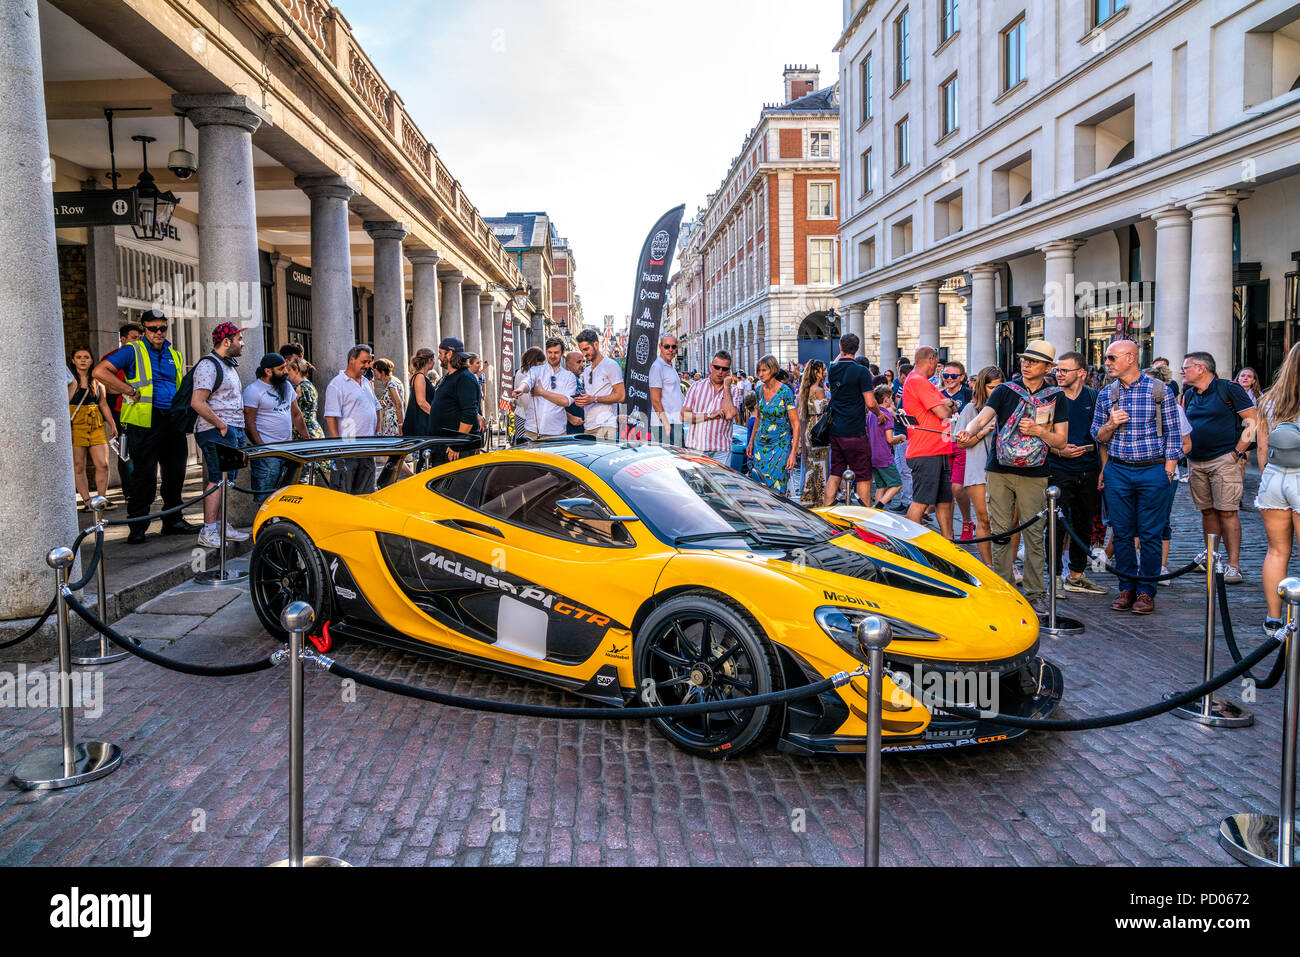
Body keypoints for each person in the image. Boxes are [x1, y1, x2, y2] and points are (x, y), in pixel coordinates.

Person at [957, 341, 1069, 611]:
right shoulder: (1006, 390)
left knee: (1033, 533)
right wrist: (969, 431)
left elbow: (1061, 442)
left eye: (1033, 360)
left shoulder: (1056, 397)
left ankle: (1034, 593)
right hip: (1000, 470)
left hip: (1035, 472)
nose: (1026, 363)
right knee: (1000, 533)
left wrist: (1039, 432)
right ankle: (1003, 590)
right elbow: (983, 417)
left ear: (1047, 367)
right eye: (1024, 358)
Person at [1090, 338, 1182, 615]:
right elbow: (1097, 435)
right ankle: (1126, 588)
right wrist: (1110, 424)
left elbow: (1174, 436)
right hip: (1118, 469)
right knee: (1122, 532)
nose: (1106, 363)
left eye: (1111, 358)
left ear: (1130, 358)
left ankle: (1146, 591)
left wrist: (1167, 470)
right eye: (1107, 358)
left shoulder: (1159, 390)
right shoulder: (1107, 394)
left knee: (1151, 533)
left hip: (1152, 469)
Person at [93, 310, 199, 544]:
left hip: (172, 420)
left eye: (162, 328)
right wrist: (127, 389)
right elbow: (99, 371)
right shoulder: (133, 350)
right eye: (153, 329)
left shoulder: (174, 354)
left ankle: (173, 521)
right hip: (144, 422)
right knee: (144, 477)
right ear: (144, 330)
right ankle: (137, 526)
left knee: (175, 474)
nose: (158, 333)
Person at [1180, 350, 1257, 585]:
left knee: (1227, 511)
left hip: (1224, 459)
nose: (1182, 372)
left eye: (1186, 367)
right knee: (1207, 511)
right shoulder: (1190, 394)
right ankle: (1212, 558)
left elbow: (1252, 420)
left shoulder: (1229, 389)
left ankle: (1234, 565)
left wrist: (1238, 452)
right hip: (1196, 460)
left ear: (1201, 368)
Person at [1047, 351, 1106, 595]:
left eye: (1064, 370)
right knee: (1056, 524)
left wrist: (1104, 469)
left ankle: (1077, 574)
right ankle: (1054, 576)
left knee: (1084, 522)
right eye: (1057, 370)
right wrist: (1059, 451)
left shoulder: (1094, 397)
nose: (1058, 374)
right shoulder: (1050, 398)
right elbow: (1040, 433)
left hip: (1089, 467)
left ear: (1081, 373)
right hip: (1058, 467)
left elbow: (1102, 437)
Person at [1253, 343, 1300, 636]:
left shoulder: (1270, 399)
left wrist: (1265, 477)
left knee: (1277, 551)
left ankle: (1273, 620)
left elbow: (1262, 447)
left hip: (1273, 478)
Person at [190, 322, 248, 547]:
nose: (241, 344)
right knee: (216, 478)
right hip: (216, 431)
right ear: (226, 341)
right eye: (238, 340)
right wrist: (221, 425)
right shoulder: (209, 365)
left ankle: (221, 526)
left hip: (231, 430)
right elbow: (197, 402)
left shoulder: (229, 365)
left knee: (227, 480)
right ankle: (208, 529)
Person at [902, 346, 959, 539]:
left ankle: (948, 541)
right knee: (921, 501)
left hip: (937, 448)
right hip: (926, 450)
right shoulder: (918, 381)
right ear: (931, 360)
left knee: (944, 499)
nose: (938, 368)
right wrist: (949, 405)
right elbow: (944, 411)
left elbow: (950, 403)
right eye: (937, 362)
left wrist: (949, 404)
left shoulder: (922, 382)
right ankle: (909, 545)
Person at [824, 333, 885, 507]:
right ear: (858, 349)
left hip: (836, 430)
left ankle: (827, 510)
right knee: (864, 475)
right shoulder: (861, 371)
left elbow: (837, 360)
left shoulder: (833, 369)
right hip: (855, 430)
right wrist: (879, 414)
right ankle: (864, 516)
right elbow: (870, 402)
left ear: (840, 348)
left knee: (835, 473)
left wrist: (841, 351)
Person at [242, 353, 308, 505]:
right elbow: (249, 423)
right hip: (267, 451)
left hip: (287, 449)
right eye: (281, 369)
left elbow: (296, 414)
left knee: (288, 494)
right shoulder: (253, 390)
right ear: (268, 371)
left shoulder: (286, 386)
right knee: (265, 495)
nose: (285, 371)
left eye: (285, 367)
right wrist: (263, 449)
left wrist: (306, 438)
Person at [954, 367, 1004, 566]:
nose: (996, 391)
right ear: (983, 388)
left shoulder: (1007, 406)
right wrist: (982, 432)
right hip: (978, 468)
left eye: (999, 387)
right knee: (984, 518)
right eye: (992, 387)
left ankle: (1005, 565)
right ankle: (989, 564)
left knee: (1006, 522)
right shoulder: (970, 409)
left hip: (1004, 468)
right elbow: (961, 443)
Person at [323, 344, 381, 493]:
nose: (367, 366)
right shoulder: (337, 384)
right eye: (364, 362)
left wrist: (377, 433)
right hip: (348, 450)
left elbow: (377, 407)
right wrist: (338, 447)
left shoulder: (366, 382)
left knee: (366, 494)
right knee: (346, 494)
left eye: (369, 362)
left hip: (367, 449)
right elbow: (331, 417)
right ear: (351, 360)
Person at [67, 346, 118, 510]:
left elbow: (103, 404)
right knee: (78, 465)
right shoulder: (69, 383)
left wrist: (112, 423)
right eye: (79, 357)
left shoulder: (97, 382)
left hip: (95, 423)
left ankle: (101, 499)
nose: (83, 360)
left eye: (86, 357)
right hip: (76, 424)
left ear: (91, 360)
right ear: (73, 360)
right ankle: (87, 501)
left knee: (103, 464)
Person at [746, 355, 799, 494]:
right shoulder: (759, 391)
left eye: (764, 370)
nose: (760, 374)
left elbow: (796, 423)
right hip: (761, 444)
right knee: (759, 487)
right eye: (759, 371)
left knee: (778, 486)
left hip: (780, 444)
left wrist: (793, 453)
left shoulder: (785, 392)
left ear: (773, 369)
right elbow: (758, 418)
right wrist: (751, 441)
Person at [682, 350, 744, 464]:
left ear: (728, 371)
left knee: (719, 482)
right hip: (696, 448)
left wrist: (726, 388)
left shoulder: (733, 390)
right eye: (717, 367)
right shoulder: (696, 387)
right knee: (696, 482)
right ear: (711, 366)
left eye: (724, 369)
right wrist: (709, 415)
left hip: (721, 450)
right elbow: (684, 417)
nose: (720, 372)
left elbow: (729, 414)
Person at [514, 337, 576, 440]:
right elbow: (527, 381)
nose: (552, 356)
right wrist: (521, 389)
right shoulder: (535, 370)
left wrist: (542, 392)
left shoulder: (569, 377)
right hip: (532, 431)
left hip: (557, 433)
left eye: (556, 353)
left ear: (562, 353)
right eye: (549, 352)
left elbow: (566, 401)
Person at [428, 340, 479, 464]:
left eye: (441, 353)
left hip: (455, 448)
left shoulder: (465, 378)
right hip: (444, 444)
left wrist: (457, 444)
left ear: (449, 354)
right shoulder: (451, 376)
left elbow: (469, 413)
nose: (439, 357)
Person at [940, 361, 974, 539]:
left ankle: (967, 521)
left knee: (957, 488)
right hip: (943, 442)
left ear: (961, 377)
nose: (949, 379)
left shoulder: (969, 394)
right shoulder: (937, 394)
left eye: (953, 376)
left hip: (962, 444)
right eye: (946, 375)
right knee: (947, 490)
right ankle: (949, 529)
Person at [107, 322, 142, 490]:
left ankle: (141, 489)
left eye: (140, 338)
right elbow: (105, 384)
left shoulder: (145, 356)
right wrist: (127, 390)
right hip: (122, 412)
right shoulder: (115, 357)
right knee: (125, 454)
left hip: (144, 412)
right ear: (123, 339)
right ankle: (130, 491)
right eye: (134, 338)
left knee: (143, 452)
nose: (138, 341)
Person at [574, 328, 626, 440]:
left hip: (606, 426)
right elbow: (591, 396)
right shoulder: (587, 370)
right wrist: (583, 401)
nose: (584, 354)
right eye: (582, 350)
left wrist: (594, 399)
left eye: (586, 349)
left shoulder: (611, 365)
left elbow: (621, 396)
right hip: (589, 426)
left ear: (596, 345)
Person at [286, 356, 329, 482]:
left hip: (305, 430)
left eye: (289, 370)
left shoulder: (301, 388)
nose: (287, 373)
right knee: (320, 467)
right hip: (313, 428)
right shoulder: (309, 385)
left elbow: (294, 410)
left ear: (296, 370)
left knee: (312, 469)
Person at [797, 360, 829, 506]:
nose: (826, 372)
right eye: (824, 369)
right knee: (821, 467)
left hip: (809, 431)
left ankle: (808, 498)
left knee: (811, 466)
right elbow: (823, 413)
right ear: (817, 373)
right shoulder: (819, 391)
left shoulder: (806, 389)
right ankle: (820, 500)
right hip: (819, 432)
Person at [868, 384, 904, 508]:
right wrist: (900, 437)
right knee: (897, 484)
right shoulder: (886, 416)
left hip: (873, 455)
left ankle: (876, 514)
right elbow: (890, 439)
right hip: (884, 456)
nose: (892, 400)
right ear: (886, 399)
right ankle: (879, 507)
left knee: (881, 486)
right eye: (891, 397)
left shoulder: (872, 414)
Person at [650, 334, 685, 446]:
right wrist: (666, 424)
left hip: (675, 422)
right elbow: (655, 400)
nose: (670, 350)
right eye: (667, 346)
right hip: (666, 424)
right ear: (660, 347)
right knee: (674, 460)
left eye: (673, 347)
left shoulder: (670, 366)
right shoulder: (657, 367)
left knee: (680, 460)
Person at [510, 347, 545, 445]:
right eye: (540, 362)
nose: (541, 365)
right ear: (533, 360)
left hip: (523, 416)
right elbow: (526, 402)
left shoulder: (522, 372)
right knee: (525, 446)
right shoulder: (524, 374)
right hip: (525, 417)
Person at [402, 348, 436, 438]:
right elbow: (421, 402)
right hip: (419, 423)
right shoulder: (420, 376)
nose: (435, 362)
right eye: (434, 360)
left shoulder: (420, 376)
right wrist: (437, 415)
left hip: (421, 421)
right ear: (429, 360)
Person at [371, 358, 405, 438]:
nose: (373, 373)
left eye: (375, 371)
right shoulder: (395, 381)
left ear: (382, 372)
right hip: (393, 421)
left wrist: (400, 427)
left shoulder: (391, 384)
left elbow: (398, 405)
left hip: (392, 423)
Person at [563, 351, 587, 436]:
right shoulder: (562, 379)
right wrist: (570, 417)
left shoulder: (576, 378)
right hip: (568, 430)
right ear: (568, 364)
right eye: (578, 362)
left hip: (579, 429)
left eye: (583, 361)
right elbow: (552, 404)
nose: (582, 365)